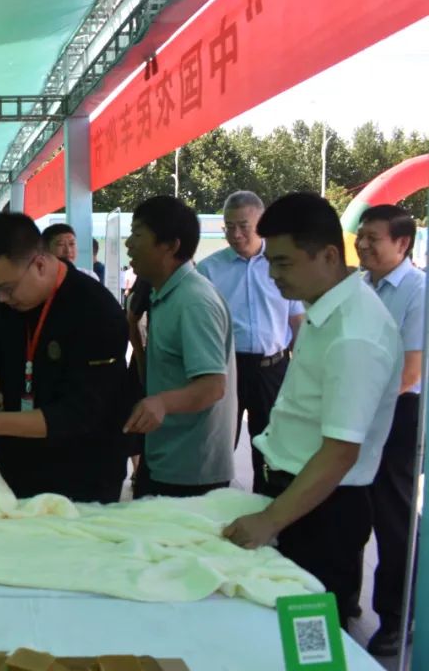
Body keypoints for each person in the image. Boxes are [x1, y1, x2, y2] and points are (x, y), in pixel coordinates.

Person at [224, 193, 401, 630]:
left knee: (310, 639)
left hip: (323, 512)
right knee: (276, 626)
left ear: (328, 256)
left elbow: (340, 452)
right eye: (271, 261)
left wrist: (270, 520)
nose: (273, 274)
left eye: (283, 263)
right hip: (298, 499)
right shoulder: (326, 311)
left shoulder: (355, 333)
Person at [0, 214, 131, 501]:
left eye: (7, 289)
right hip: (19, 462)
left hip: (83, 468)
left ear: (40, 264)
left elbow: (81, 412)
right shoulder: (7, 303)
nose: (2, 299)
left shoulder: (96, 311)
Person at [124, 196, 236, 497]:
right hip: (164, 456)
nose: (129, 245)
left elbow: (213, 386)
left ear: (170, 246)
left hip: (190, 471)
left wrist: (161, 403)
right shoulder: (164, 294)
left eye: (137, 234)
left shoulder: (193, 302)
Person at [197, 191, 304, 493]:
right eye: (229, 226)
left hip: (273, 368)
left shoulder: (282, 264)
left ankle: (266, 508)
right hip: (226, 369)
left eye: (243, 226)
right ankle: (211, 504)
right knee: (218, 445)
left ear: (261, 224)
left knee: (271, 449)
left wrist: (301, 370)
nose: (235, 234)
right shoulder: (209, 270)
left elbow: (297, 321)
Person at [355, 204, 425, 655]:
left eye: (372, 238)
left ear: (402, 244)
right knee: (353, 507)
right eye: (360, 236)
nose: (362, 245)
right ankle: (344, 596)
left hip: (399, 414)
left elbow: (410, 372)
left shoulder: (418, 291)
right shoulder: (362, 286)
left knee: (394, 520)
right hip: (359, 409)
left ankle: (397, 619)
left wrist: (363, 408)